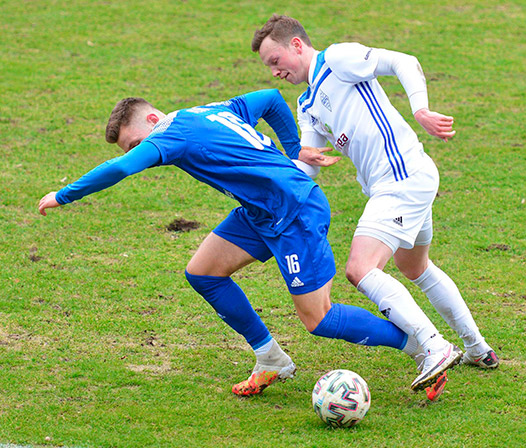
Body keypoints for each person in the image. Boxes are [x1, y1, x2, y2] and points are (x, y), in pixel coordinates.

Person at [38, 89, 454, 399]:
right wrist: (294, 151)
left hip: (293, 212)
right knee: (202, 272)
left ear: (151, 121)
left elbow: (122, 167)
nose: (140, 152)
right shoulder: (208, 110)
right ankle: (271, 358)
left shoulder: (169, 136)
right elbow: (271, 99)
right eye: (136, 148)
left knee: (319, 319)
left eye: (136, 142)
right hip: (261, 211)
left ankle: (421, 347)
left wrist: (64, 195)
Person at [252, 15, 499, 377]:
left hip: (402, 179)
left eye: (275, 61)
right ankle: (477, 348)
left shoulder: (337, 60)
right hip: (401, 182)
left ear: (297, 45)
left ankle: (433, 345)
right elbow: (308, 165)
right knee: (415, 267)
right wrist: (267, 177)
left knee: (360, 268)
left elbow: (403, 61)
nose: (274, 72)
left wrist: (420, 109)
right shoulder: (307, 106)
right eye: (268, 67)